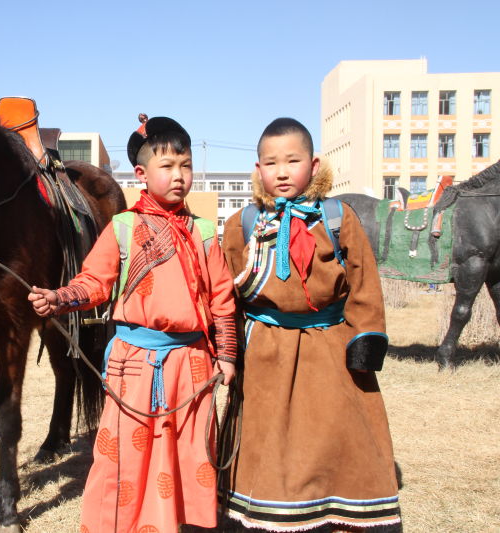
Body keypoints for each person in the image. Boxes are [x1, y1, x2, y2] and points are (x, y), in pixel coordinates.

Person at [28, 116, 237, 533]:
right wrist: (58, 298)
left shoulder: (207, 234)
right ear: (141, 174)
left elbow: (222, 302)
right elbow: (94, 282)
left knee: (188, 452)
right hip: (135, 365)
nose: (179, 176)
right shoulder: (123, 228)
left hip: (192, 365)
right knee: (127, 455)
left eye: (186, 165)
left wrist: (227, 355)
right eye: (167, 166)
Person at [219, 118, 401, 532]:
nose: (282, 171)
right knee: (270, 440)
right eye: (271, 163)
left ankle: (337, 505)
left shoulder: (338, 218)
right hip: (265, 349)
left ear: (314, 164)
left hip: (331, 350)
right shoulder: (243, 224)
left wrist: (366, 337)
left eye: (293, 160)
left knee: (336, 435)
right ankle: (267, 510)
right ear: (258, 168)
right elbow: (224, 295)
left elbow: (363, 282)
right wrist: (226, 348)